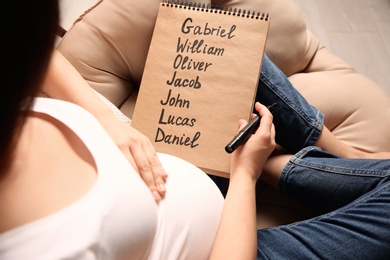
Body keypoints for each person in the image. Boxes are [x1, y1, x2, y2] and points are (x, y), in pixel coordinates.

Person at [1, 2, 389, 260]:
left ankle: (331, 155)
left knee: (217, 37)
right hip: (230, 246)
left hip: (180, 154)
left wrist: (105, 122)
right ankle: (280, 168)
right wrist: (244, 174)